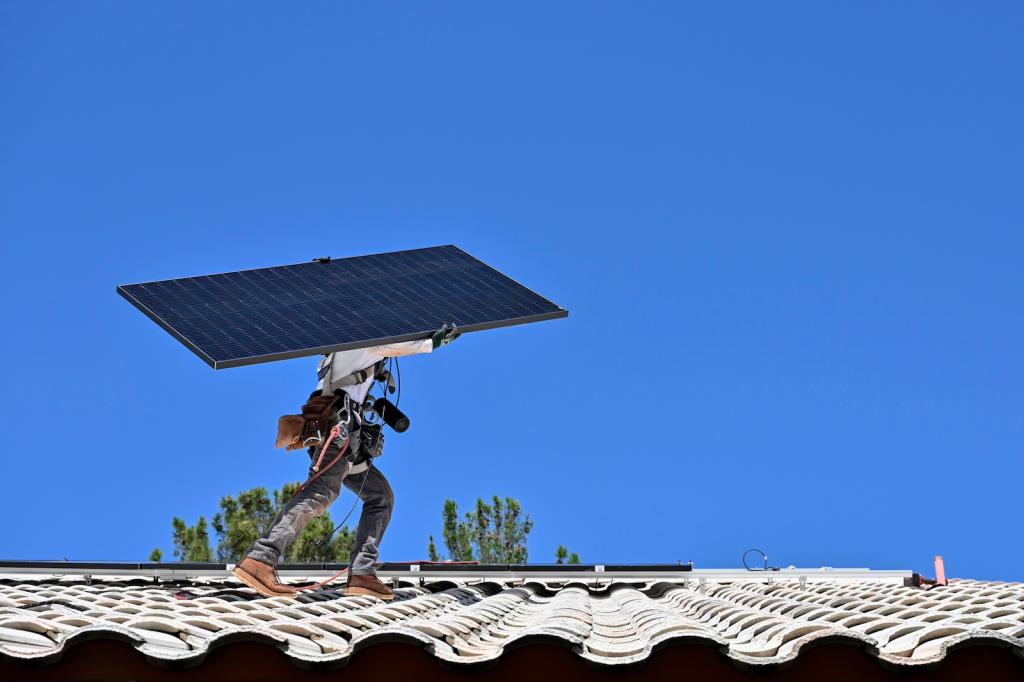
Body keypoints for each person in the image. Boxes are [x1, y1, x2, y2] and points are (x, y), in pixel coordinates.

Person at [233, 324, 460, 599]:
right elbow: (392, 346)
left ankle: (362, 573)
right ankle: (260, 559)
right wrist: (430, 344)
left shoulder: (347, 345)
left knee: (380, 496)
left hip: (346, 430)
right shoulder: (362, 335)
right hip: (338, 428)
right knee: (321, 492)